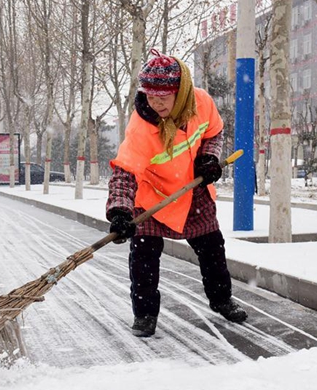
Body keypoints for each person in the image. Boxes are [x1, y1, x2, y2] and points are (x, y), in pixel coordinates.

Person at [106, 49, 247, 338]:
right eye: (150, 96)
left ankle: (221, 300)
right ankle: (144, 314)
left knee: (212, 249)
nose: (155, 103)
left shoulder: (202, 103)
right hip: (152, 197)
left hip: (192, 190)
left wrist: (208, 159)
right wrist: (120, 212)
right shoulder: (141, 128)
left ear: (180, 92)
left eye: (163, 97)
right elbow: (125, 172)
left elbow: (214, 133)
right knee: (143, 257)